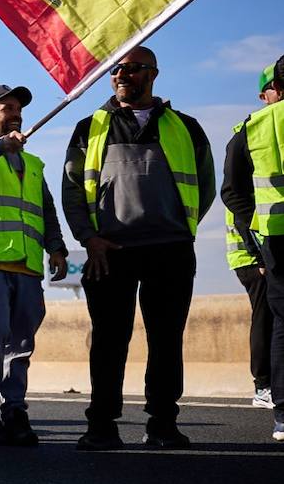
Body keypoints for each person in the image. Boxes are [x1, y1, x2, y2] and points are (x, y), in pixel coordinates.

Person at [62, 46, 214, 450]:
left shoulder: (187, 127)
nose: (122, 75)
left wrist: (181, 227)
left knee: (167, 339)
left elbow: (205, 185)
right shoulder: (88, 128)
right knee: (109, 339)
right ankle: (102, 425)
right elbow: (73, 190)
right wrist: (88, 238)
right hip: (108, 251)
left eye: (132, 69)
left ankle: (163, 423)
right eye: (116, 70)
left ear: (153, 74)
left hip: (171, 249)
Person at [0, 85, 68, 446]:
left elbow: (46, 209)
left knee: (22, 342)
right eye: (7, 107)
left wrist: (56, 247)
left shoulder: (34, 164)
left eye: (18, 108)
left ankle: (16, 410)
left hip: (26, 263)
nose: (16, 113)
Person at [222, 55, 284, 442]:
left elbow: (232, 191)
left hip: (272, 240)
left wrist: (258, 237)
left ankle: (281, 410)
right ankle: (265, 387)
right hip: (260, 249)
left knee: (281, 323)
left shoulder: (251, 127)